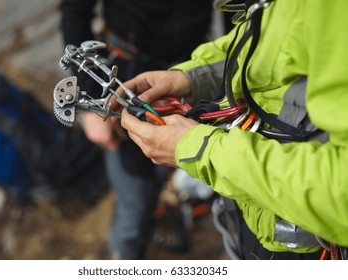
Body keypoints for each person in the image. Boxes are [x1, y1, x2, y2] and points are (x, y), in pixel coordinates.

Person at [119, 0, 348, 260]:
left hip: (308, 246)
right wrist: (194, 76)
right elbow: (268, 39)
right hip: (251, 216)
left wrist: (202, 151)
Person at [59, 0, 215, 259]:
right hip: (124, 79)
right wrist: (92, 105)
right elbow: (74, 10)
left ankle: (166, 209)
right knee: (134, 205)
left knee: (202, 170)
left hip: (191, 76)